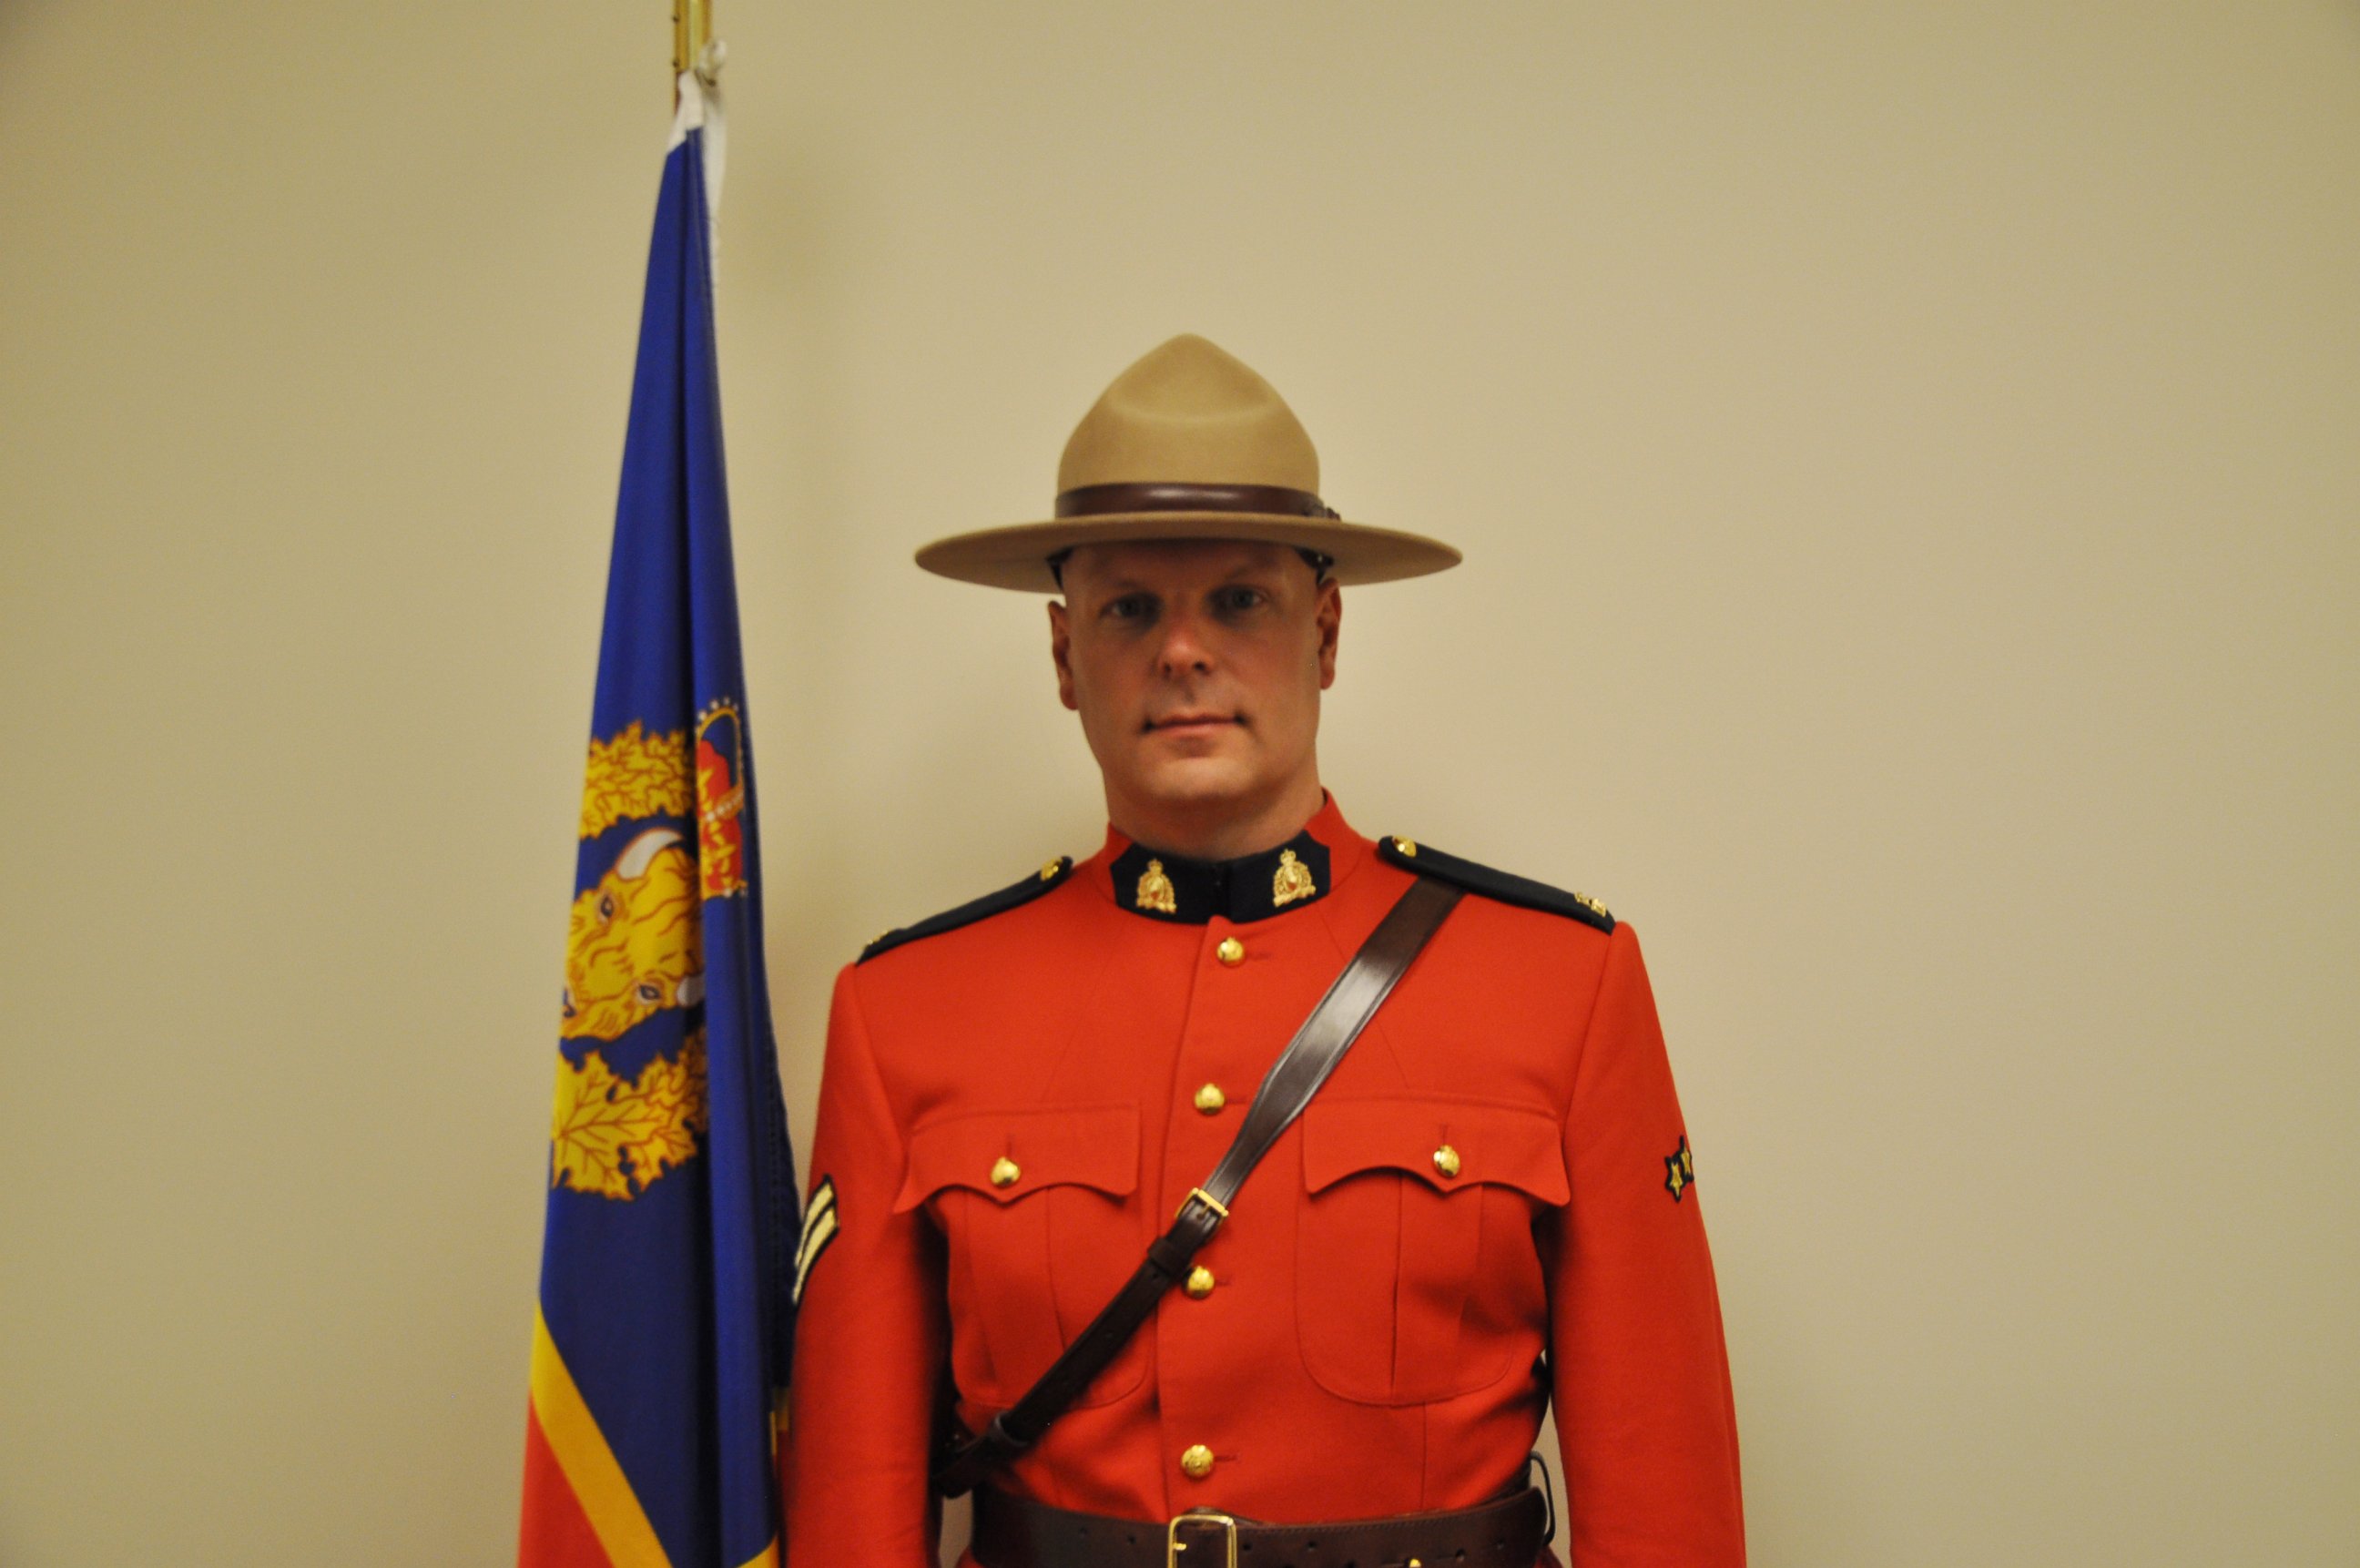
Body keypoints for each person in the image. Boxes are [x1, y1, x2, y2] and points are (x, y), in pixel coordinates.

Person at [782, 334, 1744, 1568]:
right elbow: (851, 1509)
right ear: (1066, 656)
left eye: (1240, 599)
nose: (1183, 650)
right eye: (1130, 607)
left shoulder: (1562, 986)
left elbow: (1666, 1499)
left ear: (1326, 633)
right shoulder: (905, 1011)